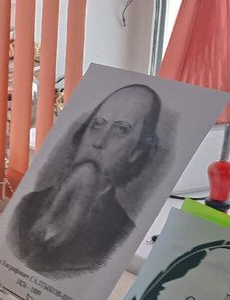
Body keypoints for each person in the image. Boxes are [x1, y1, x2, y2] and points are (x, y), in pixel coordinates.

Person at [10, 83, 161, 277]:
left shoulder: (120, 233)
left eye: (121, 129)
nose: (98, 142)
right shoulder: (27, 205)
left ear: (137, 151)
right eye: (97, 124)